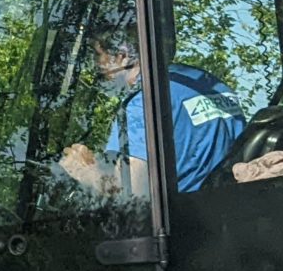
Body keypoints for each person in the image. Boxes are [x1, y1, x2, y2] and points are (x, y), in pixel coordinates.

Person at [59, 32, 248, 197]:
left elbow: (131, 192)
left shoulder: (144, 103)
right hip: (230, 204)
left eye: (98, 56)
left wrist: (85, 172)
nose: (96, 66)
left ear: (122, 57)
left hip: (187, 221)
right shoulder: (207, 83)